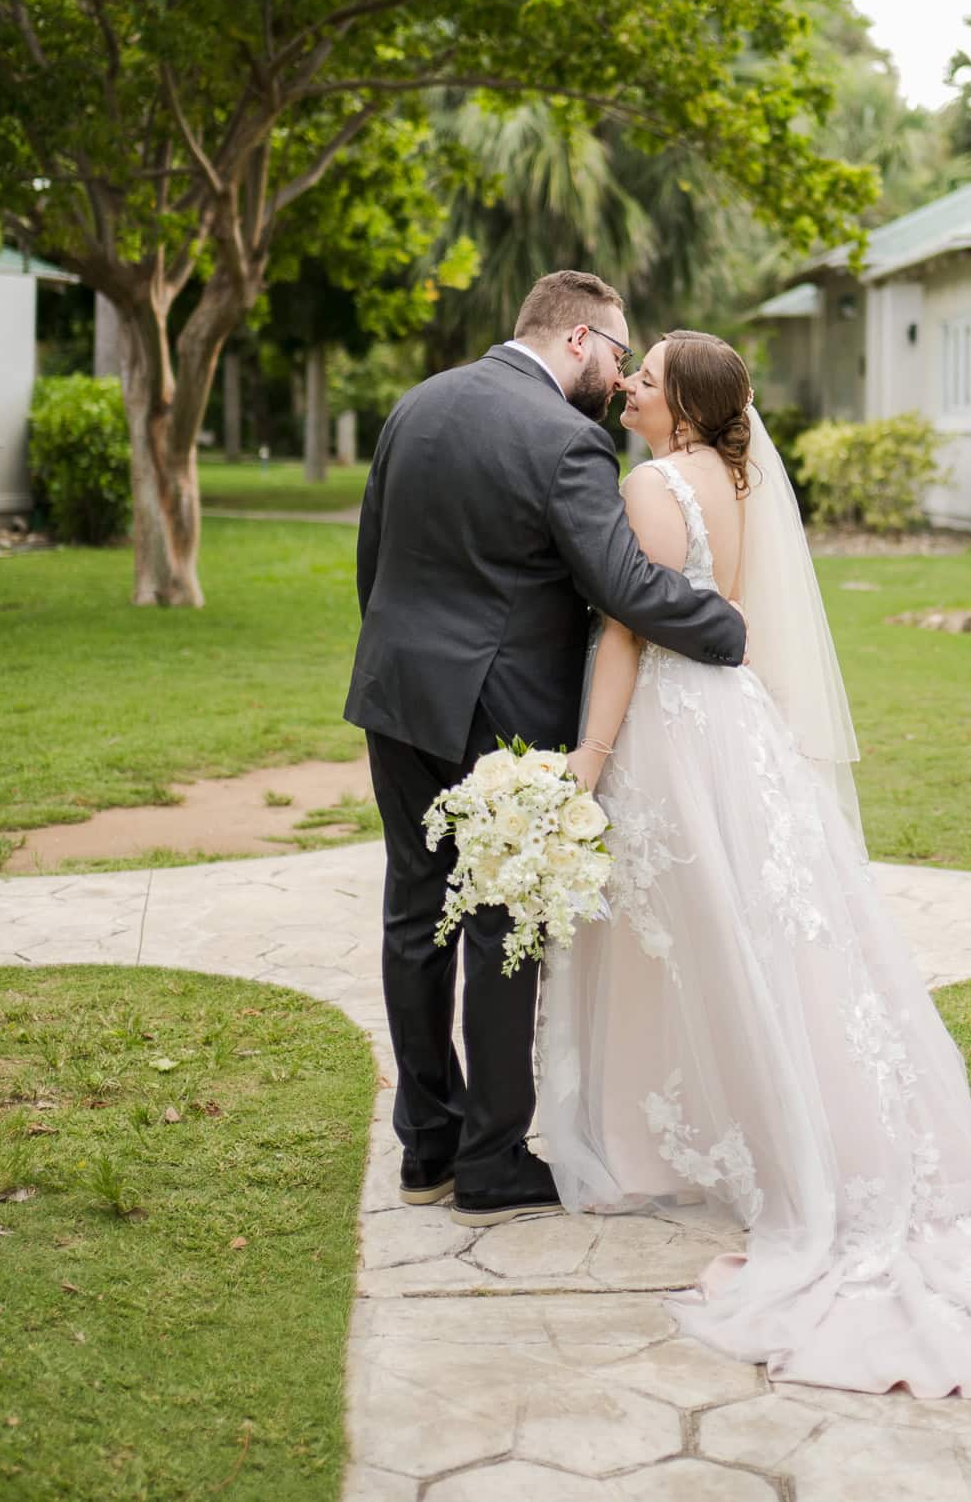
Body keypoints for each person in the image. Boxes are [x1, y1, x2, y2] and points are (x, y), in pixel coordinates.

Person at [537, 329, 971, 1396]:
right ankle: (731, 1130)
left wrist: (592, 754)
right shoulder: (734, 476)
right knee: (757, 934)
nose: (627, 386)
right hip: (736, 721)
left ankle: (682, 1142)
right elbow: (736, 616)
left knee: (697, 933)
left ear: (689, 407)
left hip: (677, 728)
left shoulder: (656, 484)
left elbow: (628, 629)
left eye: (647, 378)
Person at [344, 274, 746, 1226]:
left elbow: (375, 557)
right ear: (577, 339)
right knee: (497, 928)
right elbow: (622, 586)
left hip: (396, 697)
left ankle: (425, 1149)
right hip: (499, 718)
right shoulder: (566, 438)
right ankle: (489, 1164)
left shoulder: (419, 403)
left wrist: (403, 665)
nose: (617, 381)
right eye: (617, 356)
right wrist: (727, 630)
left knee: (413, 912)